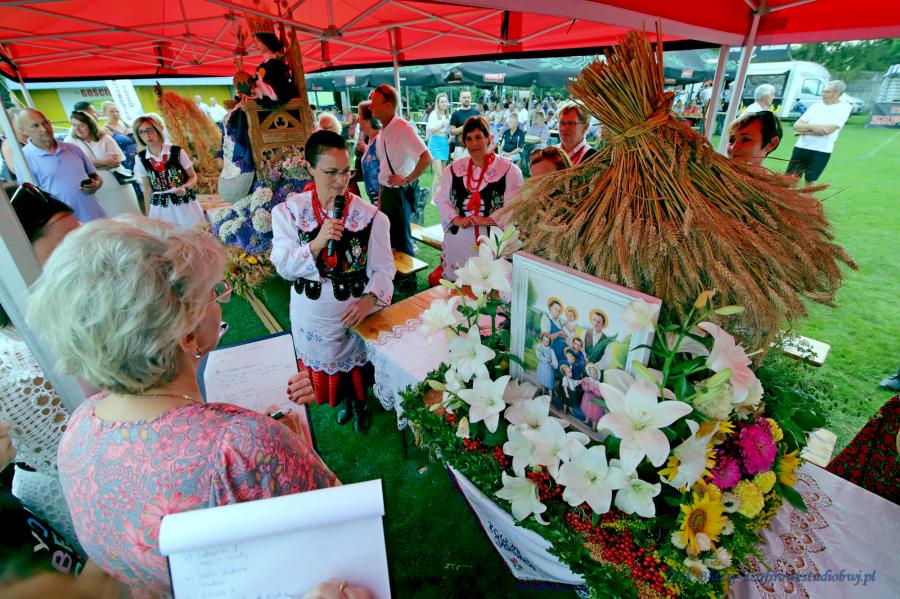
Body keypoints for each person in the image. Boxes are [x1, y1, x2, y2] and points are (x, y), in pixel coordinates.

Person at [26, 215, 335, 597]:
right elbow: (337, 532)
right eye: (213, 294)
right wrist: (287, 449)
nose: (220, 302)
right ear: (187, 335)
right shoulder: (242, 447)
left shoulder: (79, 427)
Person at [271, 130, 395, 432]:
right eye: (331, 172)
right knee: (324, 369)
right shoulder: (288, 212)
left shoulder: (372, 217)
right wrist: (316, 244)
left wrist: (369, 300)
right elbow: (285, 267)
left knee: (356, 369)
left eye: (346, 171)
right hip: (311, 316)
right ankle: (343, 402)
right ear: (310, 168)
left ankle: (359, 404)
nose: (341, 181)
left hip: (352, 316)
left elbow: (383, 270)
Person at [2, 184, 81, 552]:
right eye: (66, 249)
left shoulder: (64, 305)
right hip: (70, 492)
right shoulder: (14, 364)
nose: (84, 257)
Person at [434, 115, 523, 281]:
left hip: (493, 245)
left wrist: (489, 220)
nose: (474, 143)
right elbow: (442, 200)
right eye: (469, 139)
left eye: (478, 137)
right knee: (459, 286)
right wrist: (456, 219)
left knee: (490, 289)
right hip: (458, 244)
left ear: (488, 138)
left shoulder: (510, 171)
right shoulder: (453, 169)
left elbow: (515, 206)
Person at [369, 84, 431, 259]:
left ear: (388, 105)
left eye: (374, 103)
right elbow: (384, 168)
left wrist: (406, 179)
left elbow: (426, 158)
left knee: (402, 241)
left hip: (399, 194)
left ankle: (409, 275)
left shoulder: (403, 128)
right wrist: (381, 196)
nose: (371, 107)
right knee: (390, 239)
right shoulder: (384, 130)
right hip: (388, 193)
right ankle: (395, 272)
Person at [18, 109, 106, 222]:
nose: (44, 129)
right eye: (35, 126)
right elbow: (33, 199)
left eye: (45, 123)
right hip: (66, 224)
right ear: (24, 131)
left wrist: (96, 184)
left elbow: (94, 175)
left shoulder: (73, 149)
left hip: (96, 216)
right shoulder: (24, 158)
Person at [132, 114, 206, 230]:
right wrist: (148, 216)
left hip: (184, 204)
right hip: (160, 208)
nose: (147, 135)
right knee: (168, 236)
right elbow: (147, 188)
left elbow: (193, 176)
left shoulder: (176, 152)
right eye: (141, 132)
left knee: (193, 233)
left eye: (149, 130)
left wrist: (185, 188)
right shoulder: (140, 158)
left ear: (157, 129)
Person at [66, 111, 140, 217]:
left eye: (81, 125)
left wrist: (88, 163)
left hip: (118, 186)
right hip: (96, 190)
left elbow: (115, 162)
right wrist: (105, 162)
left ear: (90, 125)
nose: (77, 129)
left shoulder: (105, 138)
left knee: (128, 216)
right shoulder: (70, 141)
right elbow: (75, 163)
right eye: (74, 125)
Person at [786, 80, 852, 184]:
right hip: (801, 147)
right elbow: (796, 126)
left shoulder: (844, 107)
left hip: (821, 151)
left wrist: (804, 131)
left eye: (826, 92)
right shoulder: (816, 105)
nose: (822, 94)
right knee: (790, 181)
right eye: (823, 91)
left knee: (810, 182)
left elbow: (827, 130)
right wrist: (814, 128)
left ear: (836, 93)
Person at [426, 93, 451, 201]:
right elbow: (431, 130)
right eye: (442, 102)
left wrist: (448, 140)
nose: (444, 104)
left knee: (443, 174)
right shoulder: (433, 114)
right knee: (439, 174)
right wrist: (442, 124)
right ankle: (434, 198)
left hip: (444, 143)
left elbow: (451, 132)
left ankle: (440, 195)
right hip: (435, 144)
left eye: (445, 101)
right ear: (438, 103)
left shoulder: (449, 115)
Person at [356, 100, 382, 202]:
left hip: (381, 198)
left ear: (367, 121)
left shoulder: (379, 141)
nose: (357, 120)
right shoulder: (371, 140)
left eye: (359, 115)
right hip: (375, 197)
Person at [449, 89, 480, 160]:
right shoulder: (456, 114)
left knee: (470, 166)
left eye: (468, 97)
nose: (467, 99)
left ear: (471, 98)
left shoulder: (476, 113)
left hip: (473, 145)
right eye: (464, 97)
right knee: (458, 166)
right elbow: (452, 131)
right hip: (459, 145)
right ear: (460, 99)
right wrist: (464, 126)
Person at [1, 106, 28, 180]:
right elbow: (15, 169)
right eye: (19, 122)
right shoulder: (9, 143)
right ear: (10, 126)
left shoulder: (31, 138)